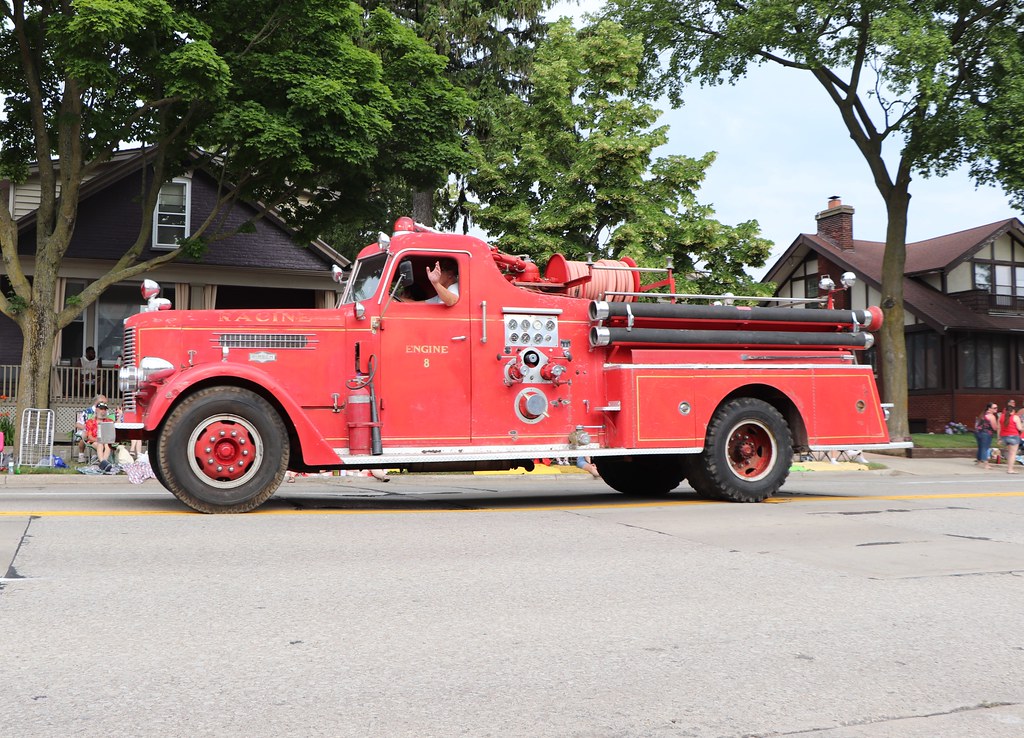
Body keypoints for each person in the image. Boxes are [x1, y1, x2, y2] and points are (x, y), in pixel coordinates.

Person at [80, 397, 113, 472]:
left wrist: (120, 415)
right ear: (96, 410)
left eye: (105, 409)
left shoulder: (109, 421)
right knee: (100, 443)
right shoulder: (90, 422)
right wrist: (100, 440)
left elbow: (114, 431)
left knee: (108, 445)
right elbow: (90, 437)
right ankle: (104, 463)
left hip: (107, 441)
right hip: (94, 441)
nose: (103, 411)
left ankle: (103, 464)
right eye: (101, 409)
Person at [998, 400, 1021, 474]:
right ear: (1013, 411)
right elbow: (1020, 428)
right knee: (1013, 453)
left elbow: (999, 428)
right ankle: (1010, 469)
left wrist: (999, 438)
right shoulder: (1015, 417)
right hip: (1014, 436)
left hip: (1004, 436)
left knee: (1009, 452)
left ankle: (1009, 468)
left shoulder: (1001, 417)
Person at [974, 402, 998, 470]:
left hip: (978, 432)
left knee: (980, 447)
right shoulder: (991, 416)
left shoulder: (983, 414)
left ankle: (979, 461)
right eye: (994, 408)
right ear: (989, 408)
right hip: (986, 433)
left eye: (996, 408)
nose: (996, 409)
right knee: (985, 448)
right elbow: (994, 428)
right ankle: (986, 464)